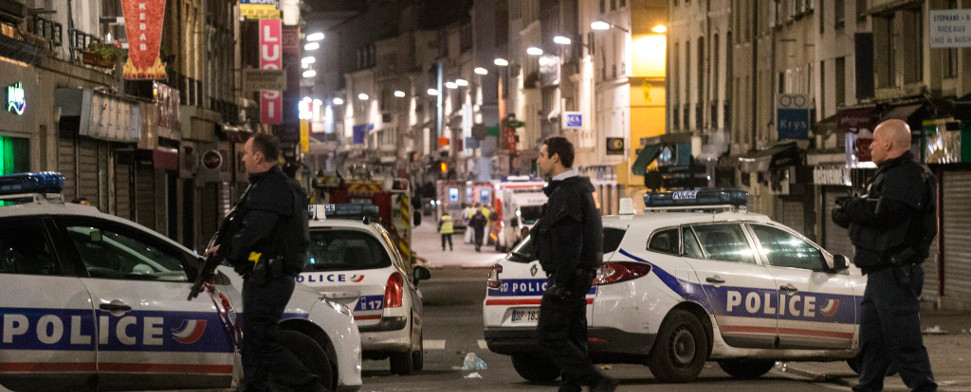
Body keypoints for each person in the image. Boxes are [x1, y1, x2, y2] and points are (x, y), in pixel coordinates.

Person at [205, 133, 323, 392]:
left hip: (269, 279)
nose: (244, 158)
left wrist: (227, 251)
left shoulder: (272, 188)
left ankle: (312, 388)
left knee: (262, 343)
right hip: (269, 276)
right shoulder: (281, 186)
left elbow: (256, 234)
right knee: (255, 346)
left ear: (259, 156)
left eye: (246, 153)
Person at [832, 119, 938, 392]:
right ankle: (868, 385)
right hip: (880, 273)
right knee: (873, 340)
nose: (872, 147)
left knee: (904, 340)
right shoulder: (888, 175)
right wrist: (852, 211)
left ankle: (923, 386)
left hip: (895, 272)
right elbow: (868, 216)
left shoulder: (906, 176)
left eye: (876, 142)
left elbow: (886, 214)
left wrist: (854, 208)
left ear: (889, 144)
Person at [531, 136, 616, 392]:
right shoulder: (576, 189)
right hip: (576, 278)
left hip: (567, 279)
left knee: (549, 336)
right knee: (573, 336)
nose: (538, 159)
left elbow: (570, 241)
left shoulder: (567, 192)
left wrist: (560, 282)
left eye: (543, 155)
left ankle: (598, 380)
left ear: (555, 158)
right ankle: (572, 386)